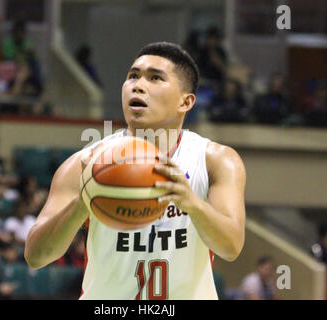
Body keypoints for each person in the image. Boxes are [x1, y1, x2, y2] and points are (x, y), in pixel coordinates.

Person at [25, 42, 246, 300]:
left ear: (185, 101)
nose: (138, 85)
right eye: (133, 76)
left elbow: (231, 247)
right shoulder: (84, 164)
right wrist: (83, 201)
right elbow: (36, 257)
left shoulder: (216, 161)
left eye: (155, 78)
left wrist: (192, 203)